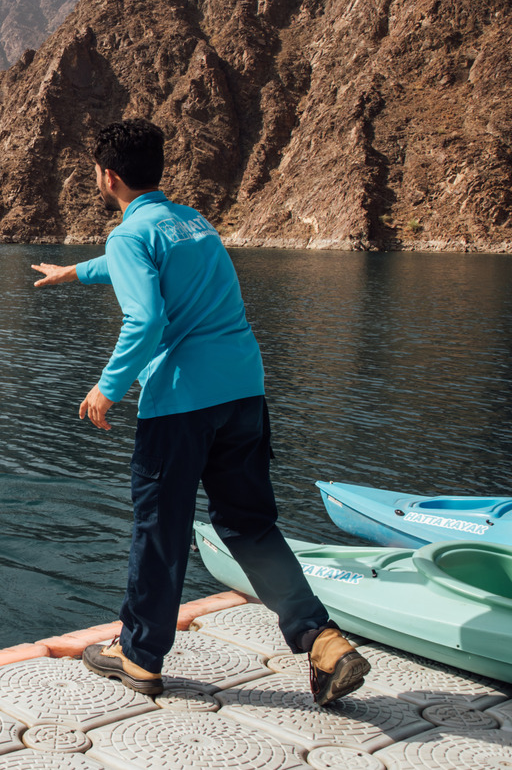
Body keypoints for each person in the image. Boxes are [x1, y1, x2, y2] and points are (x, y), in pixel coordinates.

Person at [31, 118, 369, 706]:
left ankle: (138, 655)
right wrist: (74, 271)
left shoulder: (130, 236)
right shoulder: (192, 222)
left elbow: (146, 318)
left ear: (107, 177)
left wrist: (108, 388)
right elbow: (141, 263)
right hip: (243, 391)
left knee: (160, 528)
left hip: (183, 404)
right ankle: (323, 642)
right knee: (248, 524)